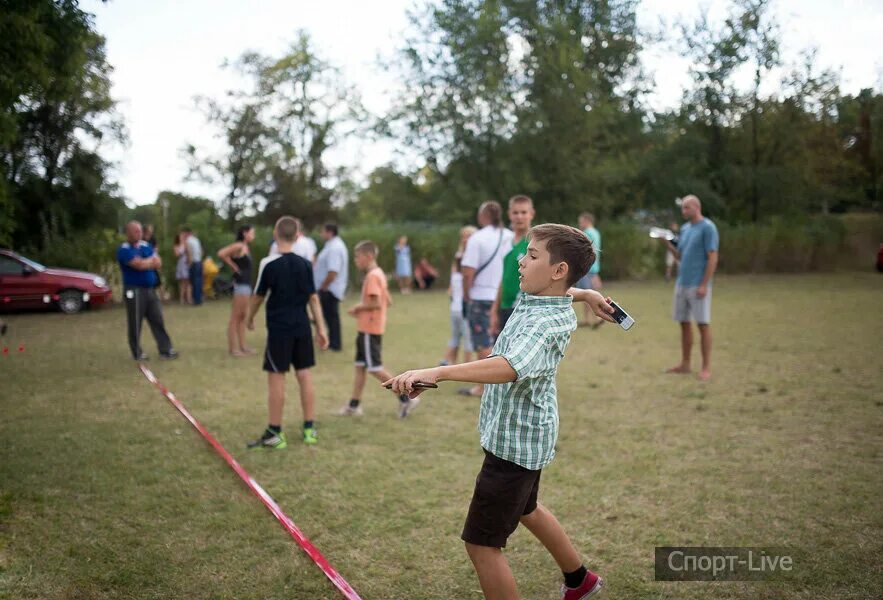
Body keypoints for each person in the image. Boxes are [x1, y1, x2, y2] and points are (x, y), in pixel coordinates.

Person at [384, 224, 615, 600]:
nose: (521, 261)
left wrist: (438, 372)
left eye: (533, 255)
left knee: (481, 545)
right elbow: (562, 291)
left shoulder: (545, 323)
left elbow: (508, 366)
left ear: (557, 271)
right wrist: (586, 292)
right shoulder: (542, 297)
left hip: (514, 449)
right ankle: (580, 580)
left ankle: (579, 579)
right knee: (528, 508)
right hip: (526, 437)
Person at [245, 216, 329, 448]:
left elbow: (258, 297)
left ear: (275, 233)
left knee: (276, 377)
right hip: (301, 327)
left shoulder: (268, 264)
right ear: (297, 235)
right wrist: (321, 329)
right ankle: (309, 429)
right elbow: (313, 298)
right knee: (305, 375)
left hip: (279, 330)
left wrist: (249, 318)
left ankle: (275, 433)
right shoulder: (304, 264)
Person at [337, 241, 416, 418]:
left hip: (369, 329)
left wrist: (358, 308)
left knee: (374, 368)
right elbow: (388, 301)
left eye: (358, 257)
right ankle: (353, 405)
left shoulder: (373, 276)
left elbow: (375, 302)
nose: (356, 260)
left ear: (369, 256)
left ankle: (406, 399)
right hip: (368, 327)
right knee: (360, 367)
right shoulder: (379, 273)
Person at [660, 195, 719, 381]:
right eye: (682, 208)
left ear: (696, 207)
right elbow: (680, 257)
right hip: (682, 284)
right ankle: (685, 364)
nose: (683, 211)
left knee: (703, 324)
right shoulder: (685, 229)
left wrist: (704, 284)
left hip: (698, 285)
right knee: (684, 324)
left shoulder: (708, 228)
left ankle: (706, 367)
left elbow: (713, 257)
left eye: (686, 208)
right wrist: (667, 244)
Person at [459, 201, 513, 397]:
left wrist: (466, 293)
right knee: (502, 340)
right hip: (504, 295)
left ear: (483, 216)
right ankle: (502, 382)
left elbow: (467, 271)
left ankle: (484, 386)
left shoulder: (477, 238)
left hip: (481, 295)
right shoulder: (509, 236)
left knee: (482, 341)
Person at [117, 221, 178, 361]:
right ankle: (137, 352)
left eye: (140, 231)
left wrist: (146, 262)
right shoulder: (124, 249)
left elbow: (158, 262)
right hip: (134, 289)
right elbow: (138, 265)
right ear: (128, 233)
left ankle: (166, 349)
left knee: (157, 319)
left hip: (150, 289)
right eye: (135, 231)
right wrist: (149, 262)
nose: (139, 234)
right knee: (135, 321)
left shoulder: (145, 245)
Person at [491, 195, 535, 337]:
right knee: (501, 354)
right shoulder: (505, 243)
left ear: (531, 214)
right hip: (506, 307)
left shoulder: (535, 242)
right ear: (509, 214)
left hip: (526, 308)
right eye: (515, 213)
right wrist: (494, 310)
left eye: (523, 212)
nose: (519, 217)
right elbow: (503, 278)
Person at [218, 225, 256, 357]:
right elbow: (221, 253)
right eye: (252, 233)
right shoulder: (239, 246)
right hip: (240, 285)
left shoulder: (245, 247)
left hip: (246, 285)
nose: (253, 235)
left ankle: (243, 346)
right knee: (235, 317)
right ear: (245, 233)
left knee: (242, 316)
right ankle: (233, 349)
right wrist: (233, 266)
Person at [313, 223, 348, 351]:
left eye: (323, 231)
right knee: (329, 316)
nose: (321, 234)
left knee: (331, 317)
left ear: (330, 232)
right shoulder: (331, 245)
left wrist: (324, 286)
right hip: (328, 288)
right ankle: (331, 341)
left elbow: (333, 271)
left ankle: (335, 344)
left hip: (330, 289)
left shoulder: (335, 247)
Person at [439, 257, 474, 366]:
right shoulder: (467, 278)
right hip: (464, 310)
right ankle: (467, 365)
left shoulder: (454, 277)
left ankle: (447, 361)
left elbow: (450, 293)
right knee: (468, 339)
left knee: (455, 337)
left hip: (454, 309)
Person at [576, 212, 603, 328]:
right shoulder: (596, 232)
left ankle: (596, 318)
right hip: (594, 267)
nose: (579, 223)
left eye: (581, 221)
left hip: (586, 268)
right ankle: (587, 320)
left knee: (586, 294)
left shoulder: (586, 233)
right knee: (588, 293)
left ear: (587, 221)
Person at [182, 226, 204, 305]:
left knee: (194, 282)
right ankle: (200, 299)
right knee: (199, 281)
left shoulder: (188, 240)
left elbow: (189, 252)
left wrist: (190, 263)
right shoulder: (196, 240)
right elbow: (201, 251)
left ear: (187, 233)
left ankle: (196, 300)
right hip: (199, 262)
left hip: (194, 263)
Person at [173, 232, 192, 304]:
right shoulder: (176, 246)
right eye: (181, 237)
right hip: (181, 264)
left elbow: (189, 253)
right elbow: (176, 254)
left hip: (186, 264)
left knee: (188, 282)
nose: (182, 238)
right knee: (182, 283)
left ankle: (188, 299)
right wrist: (181, 250)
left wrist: (189, 262)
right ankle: (182, 299)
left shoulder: (185, 244)